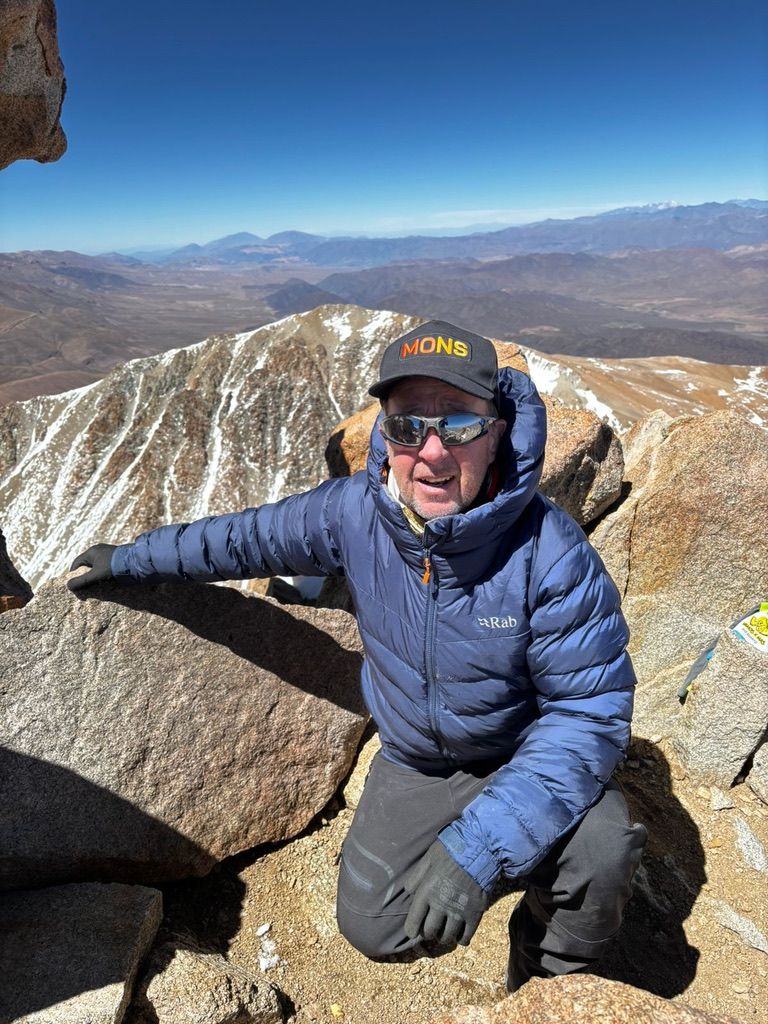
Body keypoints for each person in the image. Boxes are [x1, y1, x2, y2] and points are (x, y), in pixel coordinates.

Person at [68, 319, 647, 989]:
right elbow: (242, 540)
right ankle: (505, 856)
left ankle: (544, 984)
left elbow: (586, 712)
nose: (430, 454)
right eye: (407, 427)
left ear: (497, 432)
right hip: (419, 763)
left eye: (458, 425)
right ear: (384, 432)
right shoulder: (356, 514)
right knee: (373, 923)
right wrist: (133, 558)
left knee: (602, 852)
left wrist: (474, 854)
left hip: (521, 747)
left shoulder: (549, 554)